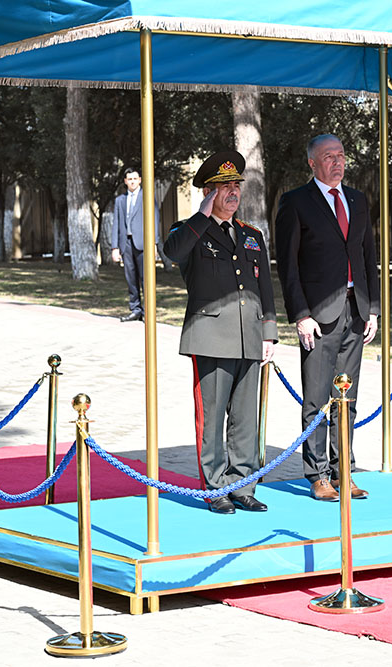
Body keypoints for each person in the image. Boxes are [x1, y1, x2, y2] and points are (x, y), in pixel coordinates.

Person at [163, 150, 277, 514]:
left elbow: (265, 290)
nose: (233, 191)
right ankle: (214, 487)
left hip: (248, 338)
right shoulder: (189, 231)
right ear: (208, 192)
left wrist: (269, 333)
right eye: (224, 186)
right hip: (210, 337)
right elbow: (173, 253)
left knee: (246, 419)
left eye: (236, 185)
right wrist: (203, 214)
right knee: (211, 420)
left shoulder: (251, 235)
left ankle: (242, 485)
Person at [274, 134, 380, 502]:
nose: (337, 162)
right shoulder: (295, 202)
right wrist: (301, 315)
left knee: (346, 399)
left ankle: (344, 471)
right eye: (328, 157)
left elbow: (369, 257)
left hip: (356, 312)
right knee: (317, 400)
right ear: (312, 163)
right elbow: (288, 266)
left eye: (341, 155)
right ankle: (318, 475)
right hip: (319, 317)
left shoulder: (357, 200)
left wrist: (374, 309)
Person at [111, 167, 160, 322]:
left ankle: (148, 312)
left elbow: (154, 221)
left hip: (143, 243)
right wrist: (115, 247)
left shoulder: (147, 197)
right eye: (129, 179)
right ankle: (135, 309)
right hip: (126, 244)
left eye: (135, 179)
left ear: (140, 180)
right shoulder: (120, 200)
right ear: (125, 181)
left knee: (146, 278)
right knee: (131, 279)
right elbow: (116, 224)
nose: (132, 181)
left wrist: (154, 243)